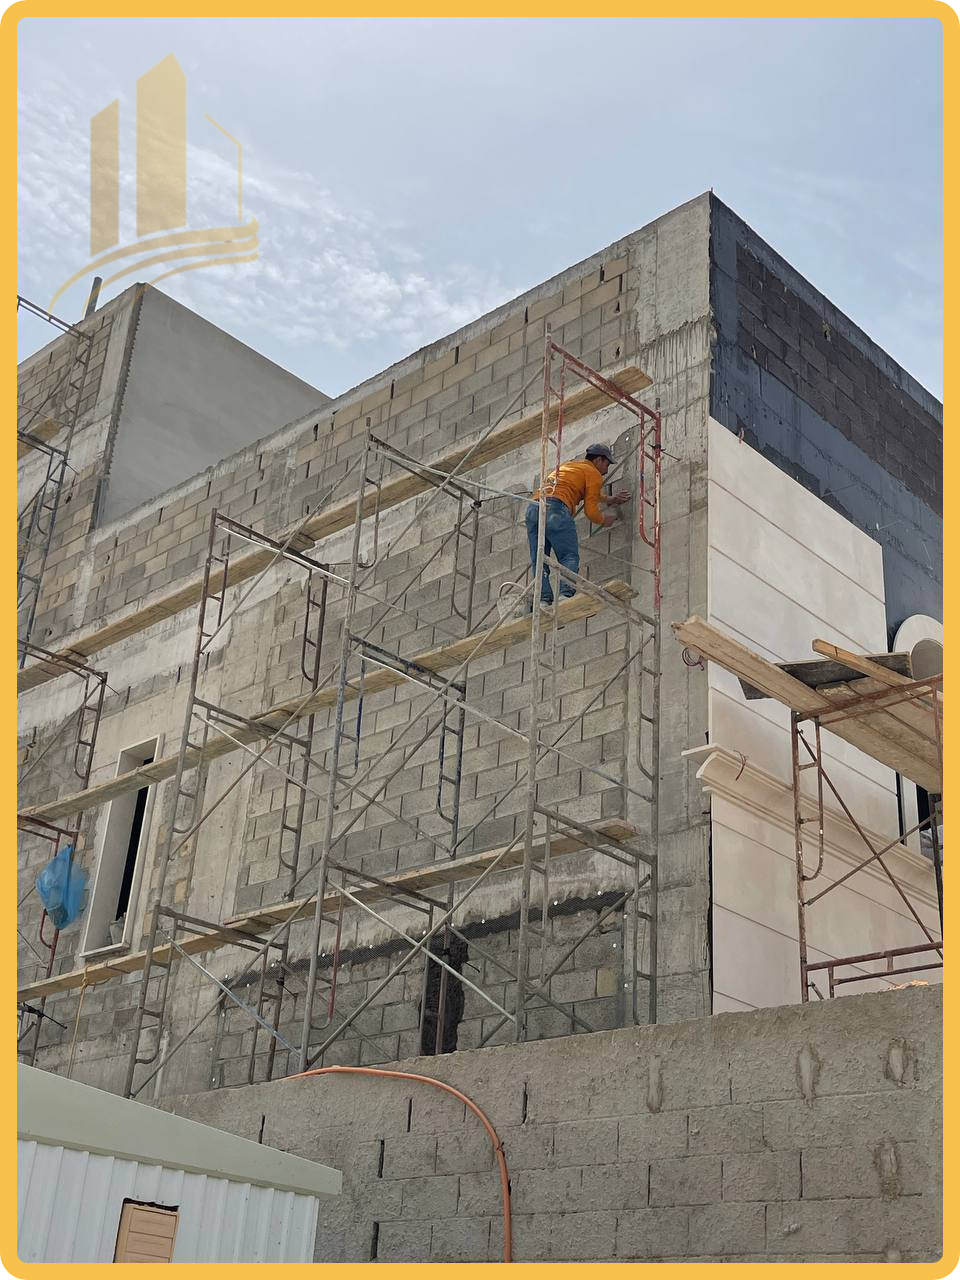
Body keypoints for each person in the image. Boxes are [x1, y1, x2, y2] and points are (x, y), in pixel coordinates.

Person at [524, 443, 631, 606]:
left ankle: (543, 599)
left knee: (539, 558)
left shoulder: (571, 467)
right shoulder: (593, 473)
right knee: (568, 556)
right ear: (598, 460)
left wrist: (611, 499)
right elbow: (590, 510)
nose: (606, 470)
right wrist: (603, 520)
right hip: (555, 509)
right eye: (607, 464)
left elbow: (589, 492)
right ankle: (565, 594)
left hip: (533, 509)